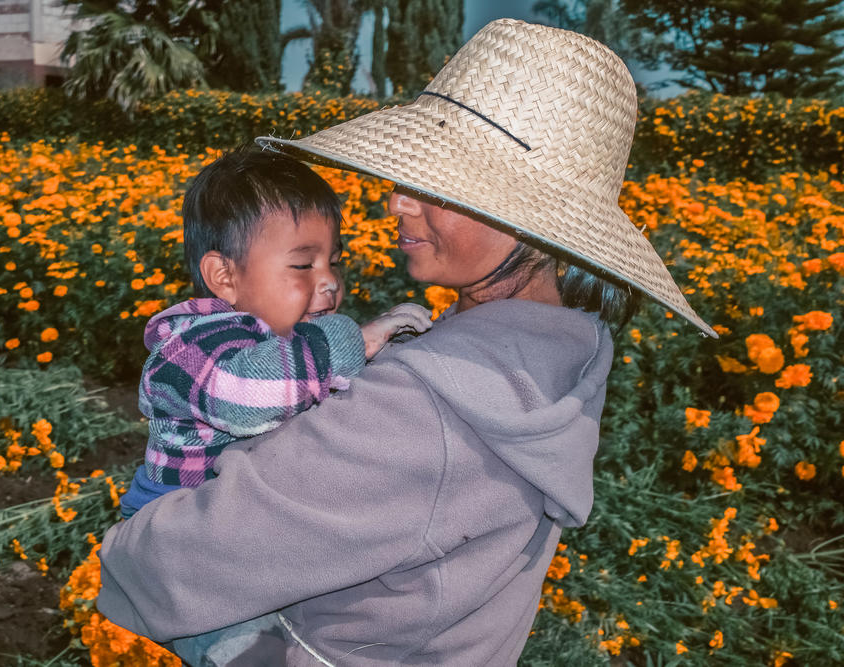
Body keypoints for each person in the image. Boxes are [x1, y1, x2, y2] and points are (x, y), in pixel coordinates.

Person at [97, 18, 716, 666]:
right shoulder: (559, 357)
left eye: (437, 186)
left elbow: (176, 560)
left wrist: (122, 550)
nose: (397, 202)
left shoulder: (426, 404)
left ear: (533, 225)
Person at [117, 147, 433, 666]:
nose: (328, 280)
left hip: (241, 537)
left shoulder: (288, 345)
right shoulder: (190, 346)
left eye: (334, 261)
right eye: (303, 264)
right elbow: (245, 397)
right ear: (224, 277)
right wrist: (358, 338)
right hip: (180, 549)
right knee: (246, 652)